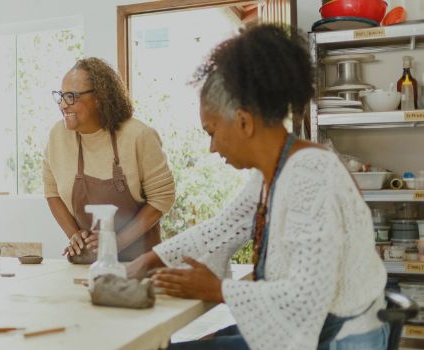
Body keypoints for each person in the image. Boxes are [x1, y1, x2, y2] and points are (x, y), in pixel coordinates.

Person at [126, 25, 388, 349]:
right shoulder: (271, 172)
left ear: (244, 122)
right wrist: (145, 262)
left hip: (340, 340)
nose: (212, 147)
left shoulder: (310, 174)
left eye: (211, 131)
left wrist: (218, 289)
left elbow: (305, 298)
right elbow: (221, 229)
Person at [43, 57, 175, 261]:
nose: (62, 104)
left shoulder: (138, 135)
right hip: (88, 263)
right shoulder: (57, 136)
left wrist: (116, 242)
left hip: (141, 264)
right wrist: (73, 235)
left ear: (99, 97)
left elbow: (162, 198)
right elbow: (52, 192)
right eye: (61, 96)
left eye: (71, 97)